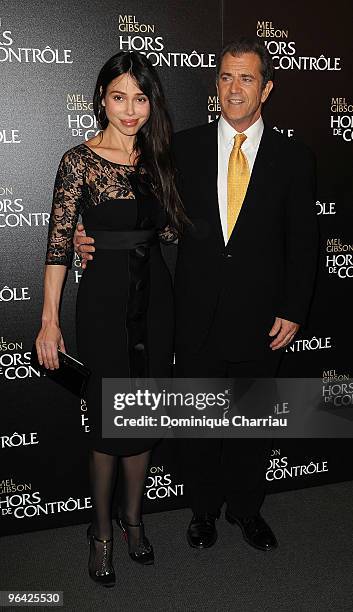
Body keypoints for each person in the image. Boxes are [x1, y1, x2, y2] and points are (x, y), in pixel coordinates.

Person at [75, 38, 318, 553]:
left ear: (266, 88)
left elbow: (304, 243)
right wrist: (90, 234)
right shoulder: (179, 148)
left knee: (252, 424)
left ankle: (247, 511)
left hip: (263, 318)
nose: (235, 88)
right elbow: (145, 215)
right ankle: (203, 511)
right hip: (193, 313)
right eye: (227, 77)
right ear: (216, 84)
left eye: (247, 78)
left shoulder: (294, 158)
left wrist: (294, 310)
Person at [36, 50, 185, 587]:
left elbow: (169, 235)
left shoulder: (162, 158)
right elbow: (57, 244)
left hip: (156, 304)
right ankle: (100, 533)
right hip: (101, 306)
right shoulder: (78, 161)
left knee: (143, 418)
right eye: (118, 97)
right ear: (101, 98)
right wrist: (49, 320)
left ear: (152, 103)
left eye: (140, 98)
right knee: (106, 424)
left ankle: (133, 518)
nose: (129, 110)